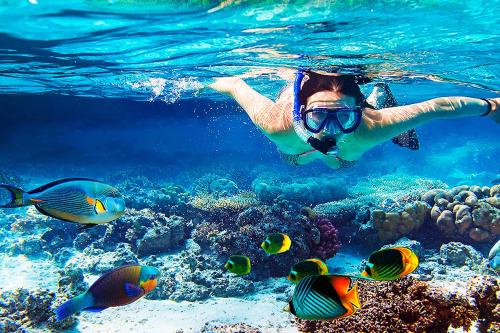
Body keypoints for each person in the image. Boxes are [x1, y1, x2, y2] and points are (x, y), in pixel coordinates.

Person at [209, 69, 499, 169]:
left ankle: (375, 97)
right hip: (296, 147)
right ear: (301, 113)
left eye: (345, 117)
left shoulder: (370, 127)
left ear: (356, 112)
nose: (330, 130)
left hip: (353, 137)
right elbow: (235, 84)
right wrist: (204, 84)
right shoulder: (277, 122)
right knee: (294, 158)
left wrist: (493, 106)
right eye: (319, 116)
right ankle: (376, 97)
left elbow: (438, 106)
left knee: (343, 163)